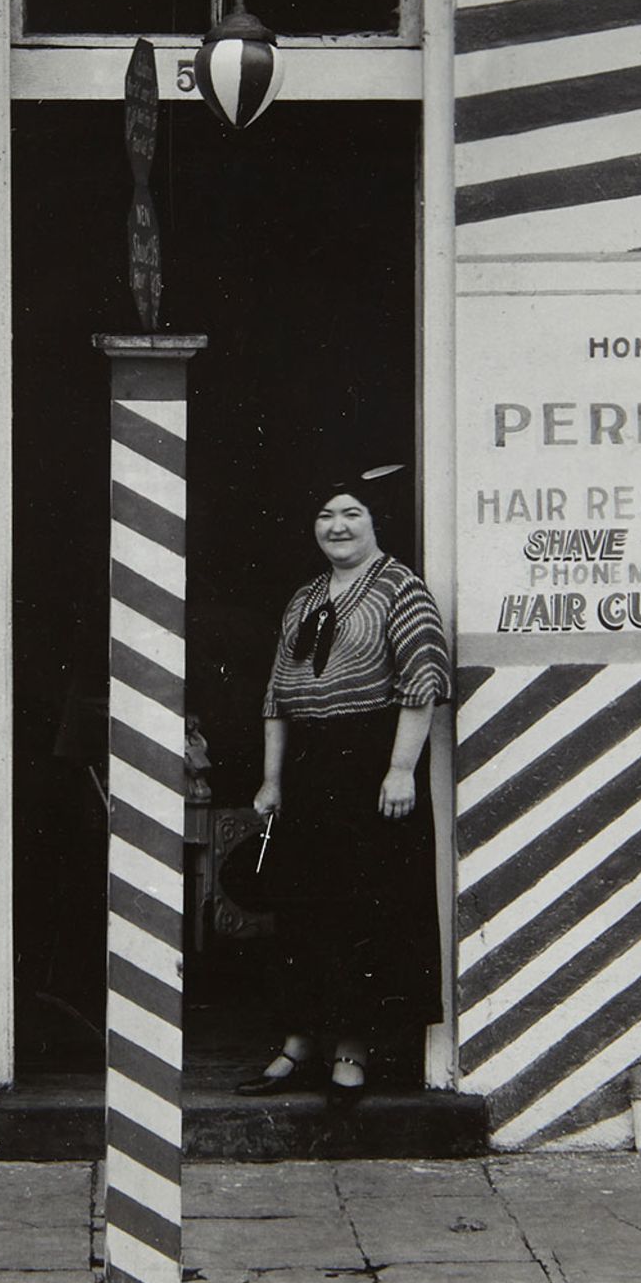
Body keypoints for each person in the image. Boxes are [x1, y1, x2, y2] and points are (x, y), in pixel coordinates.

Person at [237, 458, 451, 1108]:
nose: (338, 525)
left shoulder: (400, 589)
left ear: (375, 521)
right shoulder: (304, 599)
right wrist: (273, 780)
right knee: (303, 907)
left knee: (363, 908)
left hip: (372, 764)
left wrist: (398, 769)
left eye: (351, 513)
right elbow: (276, 696)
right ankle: (298, 1043)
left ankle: (352, 1051)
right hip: (310, 767)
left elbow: (423, 683)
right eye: (326, 515)